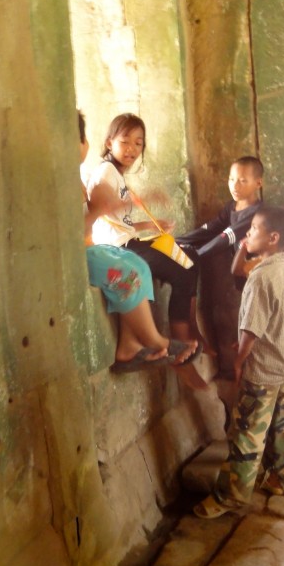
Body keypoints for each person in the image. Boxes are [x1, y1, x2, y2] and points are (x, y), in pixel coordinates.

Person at [193, 206, 284, 518]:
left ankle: (230, 497)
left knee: (246, 435)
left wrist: (239, 360)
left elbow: (251, 329)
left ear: (273, 238)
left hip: (264, 370)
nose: (247, 234)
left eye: (253, 229)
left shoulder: (260, 279)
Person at [78, 112, 200, 374]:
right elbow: (102, 204)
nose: (132, 149)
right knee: (184, 268)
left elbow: (115, 218)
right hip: (119, 248)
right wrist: (144, 197)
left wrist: (148, 225)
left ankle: (136, 343)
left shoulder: (117, 174)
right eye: (126, 141)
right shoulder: (105, 172)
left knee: (188, 257)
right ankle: (177, 335)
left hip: (127, 241)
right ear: (109, 143)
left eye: (138, 143)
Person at [177, 156, 265, 377]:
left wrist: (195, 256)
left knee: (252, 329)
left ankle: (250, 375)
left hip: (255, 279)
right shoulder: (232, 207)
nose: (235, 186)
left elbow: (225, 239)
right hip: (239, 279)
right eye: (231, 179)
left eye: (243, 181)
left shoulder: (256, 214)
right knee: (241, 328)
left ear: (258, 183)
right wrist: (179, 241)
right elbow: (211, 229)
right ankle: (239, 373)